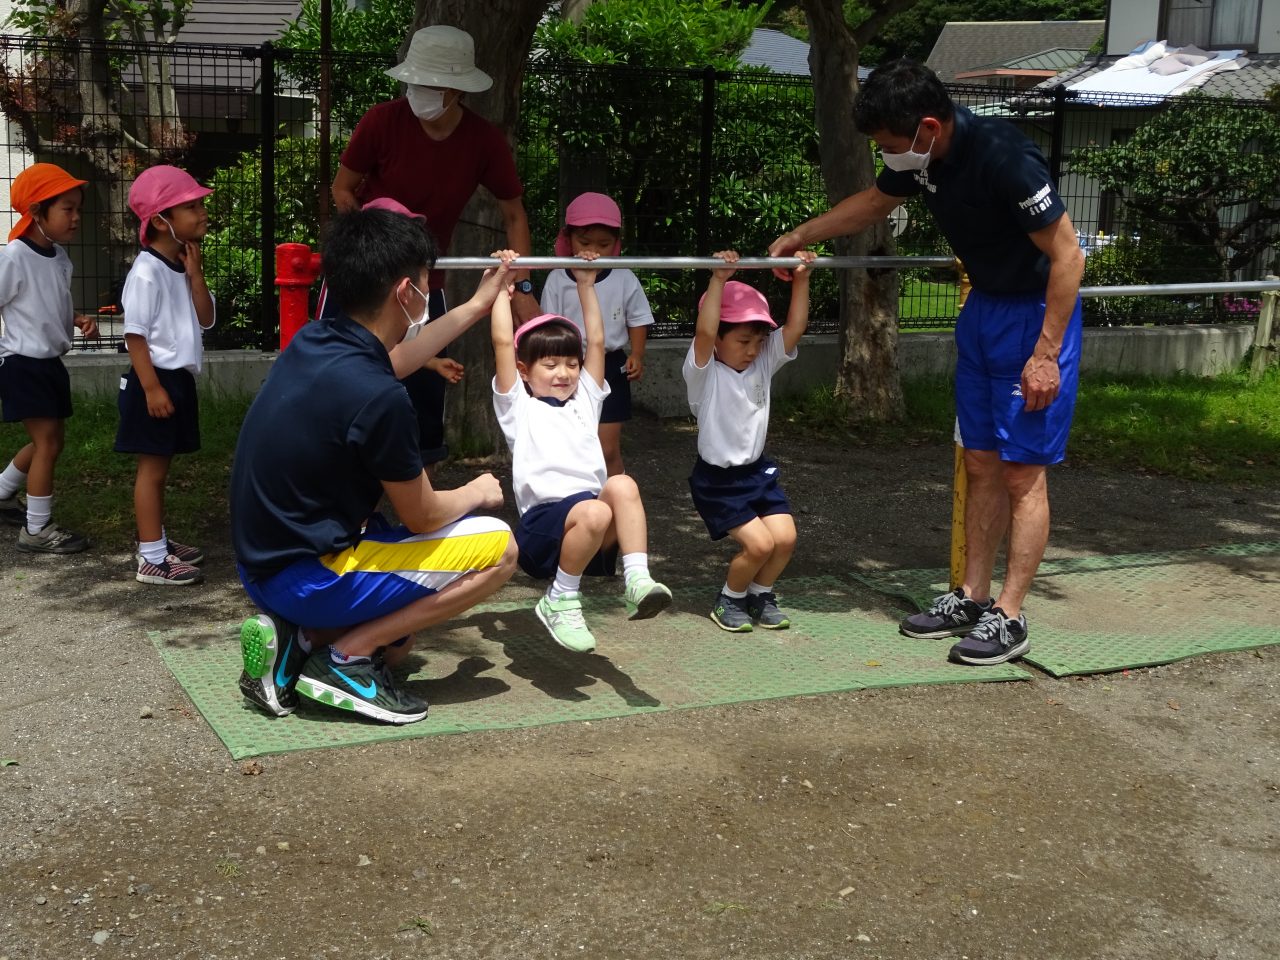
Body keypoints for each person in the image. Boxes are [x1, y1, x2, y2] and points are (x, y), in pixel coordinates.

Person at [768, 59, 1085, 666]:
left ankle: (1010, 616)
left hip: (1037, 318)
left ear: (929, 128)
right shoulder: (920, 158)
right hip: (985, 312)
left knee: (1023, 473)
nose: (886, 154)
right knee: (981, 461)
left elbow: (1069, 258)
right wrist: (800, 234)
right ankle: (969, 597)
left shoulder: (1006, 160)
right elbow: (870, 204)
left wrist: (1046, 354)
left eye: (889, 144)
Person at [230, 208, 517, 725]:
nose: (433, 291)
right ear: (406, 292)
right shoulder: (380, 397)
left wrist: (480, 303)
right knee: (500, 547)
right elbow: (424, 516)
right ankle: (347, 659)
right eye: (429, 280)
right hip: (310, 578)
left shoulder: (316, 342)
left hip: (261, 568)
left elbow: (400, 357)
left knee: (403, 643)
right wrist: (477, 491)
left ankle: (299, 640)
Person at [331, 24, 539, 470]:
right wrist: (366, 250)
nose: (418, 92)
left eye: (431, 85)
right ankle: (339, 491)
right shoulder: (381, 121)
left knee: (421, 396)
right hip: (367, 274)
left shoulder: (483, 140)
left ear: (457, 90)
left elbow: (515, 215)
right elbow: (343, 191)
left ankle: (418, 509)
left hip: (426, 279)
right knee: (344, 378)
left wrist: (522, 289)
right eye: (414, 82)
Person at [491, 250, 671, 655]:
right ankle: (560, 597)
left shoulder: (584, 401)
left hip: (587, 530)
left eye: (571, 364)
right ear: (524, 371)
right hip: (542, 531)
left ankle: (637, 577)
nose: (564, 373)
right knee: (594, 509)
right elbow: (503, 340)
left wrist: (586, 285)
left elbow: (599, 342)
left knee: (621, 485)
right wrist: (502, 292)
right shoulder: (518, 405)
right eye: (551, 364)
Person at [685, 250, 814, 633]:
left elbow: (795, 327)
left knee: (785, 538)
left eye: (758, 341)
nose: (753, 350)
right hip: (718, 481)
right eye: (743, 340)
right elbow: (705, 333)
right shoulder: (703, 375)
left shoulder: (761, 363)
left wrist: (803, 277)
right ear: (721, 338)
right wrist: (718, 280)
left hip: (757, 472)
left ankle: (760, 593)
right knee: (758, 545)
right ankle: (729, 598)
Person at [117, 165, 216, 585]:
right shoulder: (146, 271)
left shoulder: (180, 264)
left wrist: (196, 277)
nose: (202, 213)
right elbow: (134, 336)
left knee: (163, 469)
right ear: (160, 220)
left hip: (174, 381)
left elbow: (206, 319)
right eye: (190, 207)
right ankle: (152, 557)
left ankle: (156, 539)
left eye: (200, 205)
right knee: (152, 471)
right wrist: (152, 388)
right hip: (152, 381)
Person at [0, 163, 96, 554]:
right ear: (37, 212)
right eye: (66, 209)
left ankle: (3, 492)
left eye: (77, 209)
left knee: (49, 440)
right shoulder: (15, 256)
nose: (75, 218)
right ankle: (36, 529)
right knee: (47, 444)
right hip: (23, 364)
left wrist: (73, 317)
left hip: (48, 364)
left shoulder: (57, 257)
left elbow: (42, 302)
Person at [539, 192, 654, 476]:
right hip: (568, 367)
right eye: (585, 242)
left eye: (604, 244)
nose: (594, 251)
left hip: (611, 365)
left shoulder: (624, 276)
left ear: (616, 244)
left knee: (607, 448)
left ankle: (616, 497)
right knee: (570, 443)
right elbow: (548, 326)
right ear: (569, 240)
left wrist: (637, 354)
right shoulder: (557, 277)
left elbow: (638, 318)